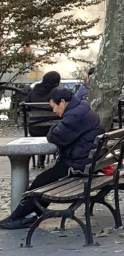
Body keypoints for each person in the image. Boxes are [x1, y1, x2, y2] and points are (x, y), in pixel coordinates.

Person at [0, 86, 101, 229]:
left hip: (77, 165)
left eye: (54, 107)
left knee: (41, 182)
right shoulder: (81, 109)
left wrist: (53, 128)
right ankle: (26, 215)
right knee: (44, 180)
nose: (54, 111)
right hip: (86, 161)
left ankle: (17, 217)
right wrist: (56, 127)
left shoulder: (74, 115)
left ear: (62, 102)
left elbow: (55, 136)